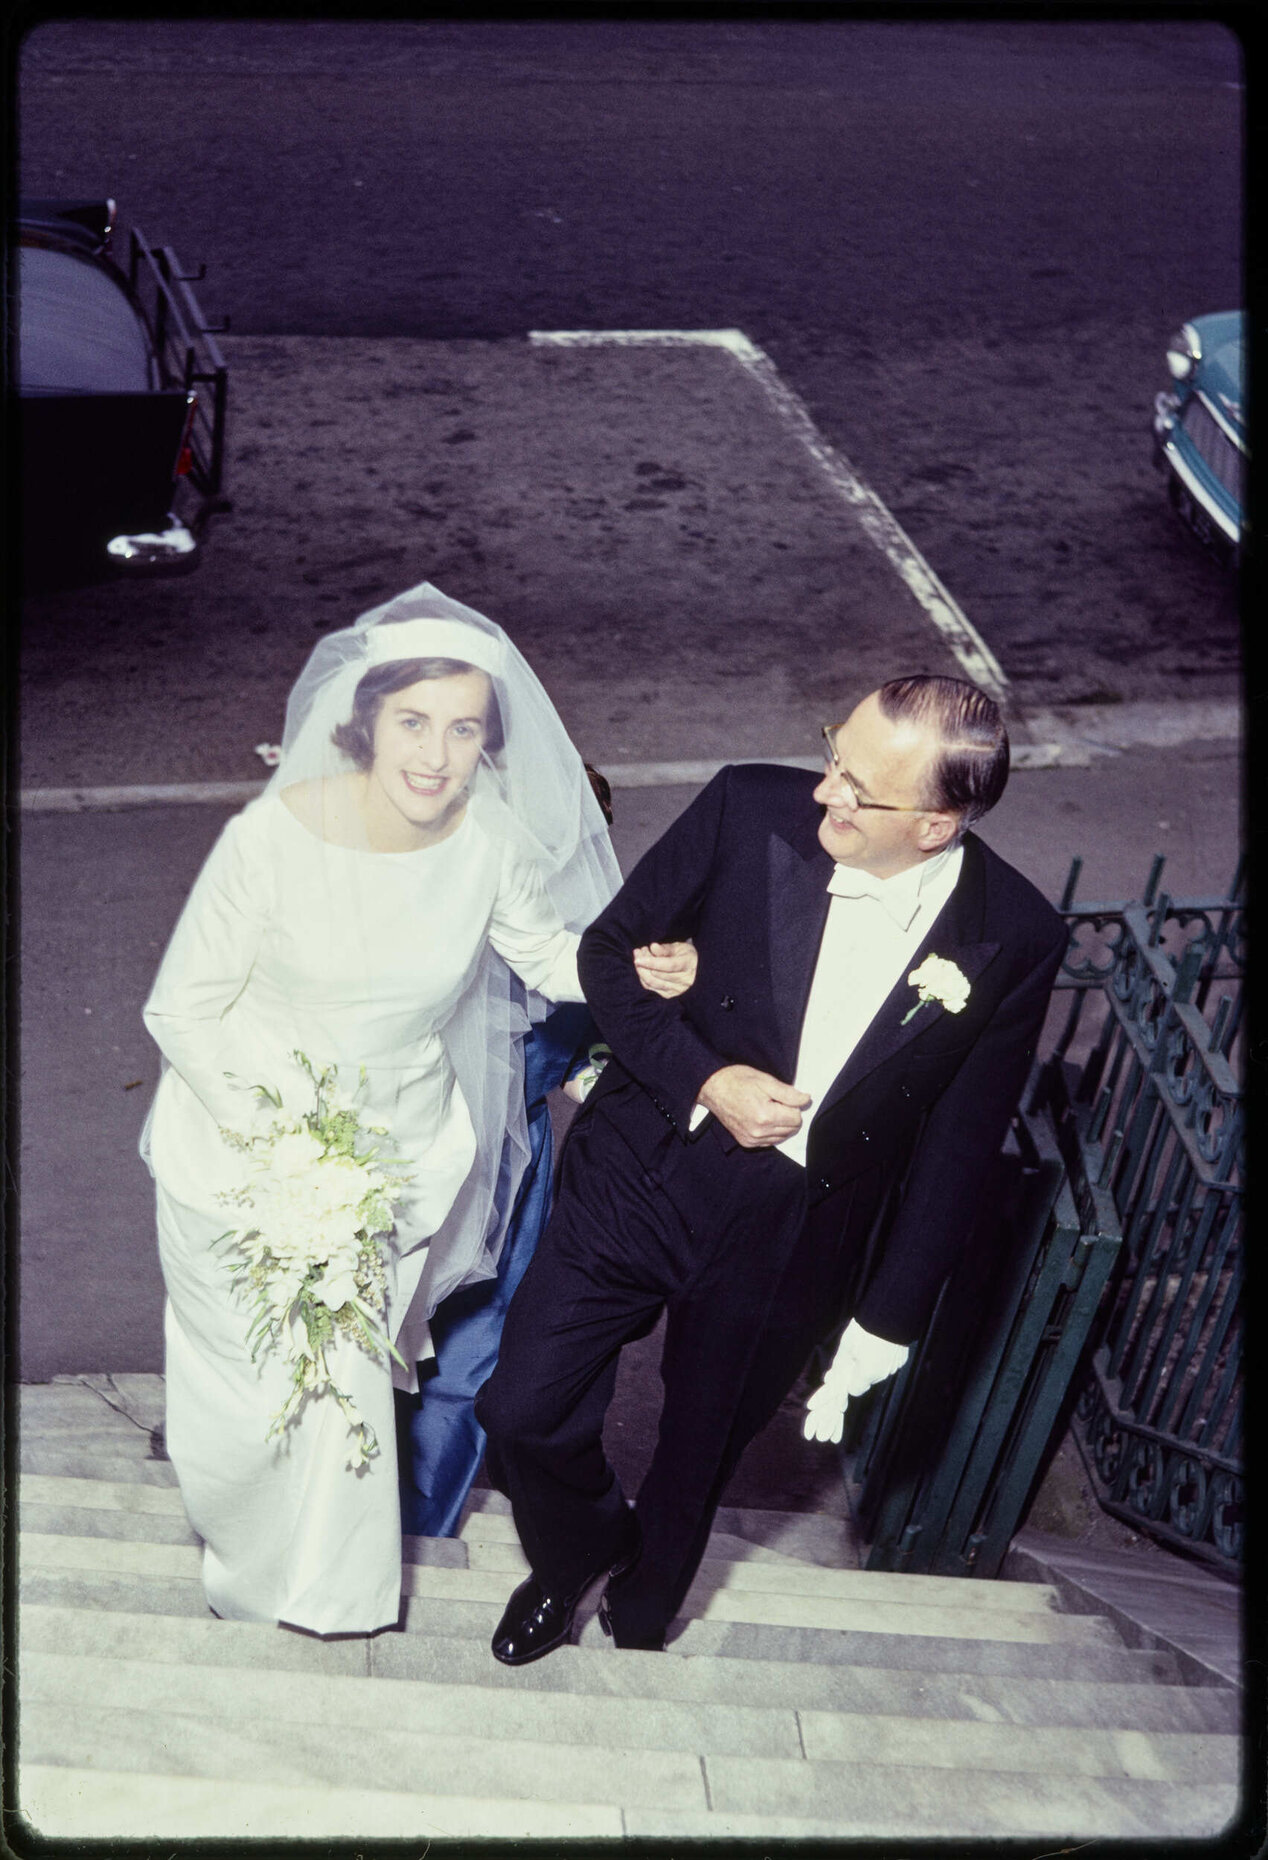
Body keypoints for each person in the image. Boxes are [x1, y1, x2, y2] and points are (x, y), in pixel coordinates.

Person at [476, 673, 1068, 1661]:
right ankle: (578, 1546)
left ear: (934, 824)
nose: (825, 791)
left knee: (698, 1451)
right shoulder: (744, 807)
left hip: (795, 1236)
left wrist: (886, 1317)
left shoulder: (1013, 935)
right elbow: (610, 957)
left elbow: (959, 1144)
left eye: (859, 787)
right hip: (644, 1170)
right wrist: (707, 1080)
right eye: (835, 754)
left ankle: (642, 1609)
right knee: (521, 1407)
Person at [141, 582, 691, 1634]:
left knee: (339, 1389)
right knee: (249, 1409)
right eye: (412, 722)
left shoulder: (487, 841)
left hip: (392, 1160)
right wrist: (285, 1150)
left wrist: (640, 969)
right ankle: (251, 1553)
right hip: (241, 1150)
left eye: (463, 728)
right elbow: (184, 1012)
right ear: (361, 719)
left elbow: (544, 953)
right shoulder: (267, 844)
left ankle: (323, 1602)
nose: (436, 755)